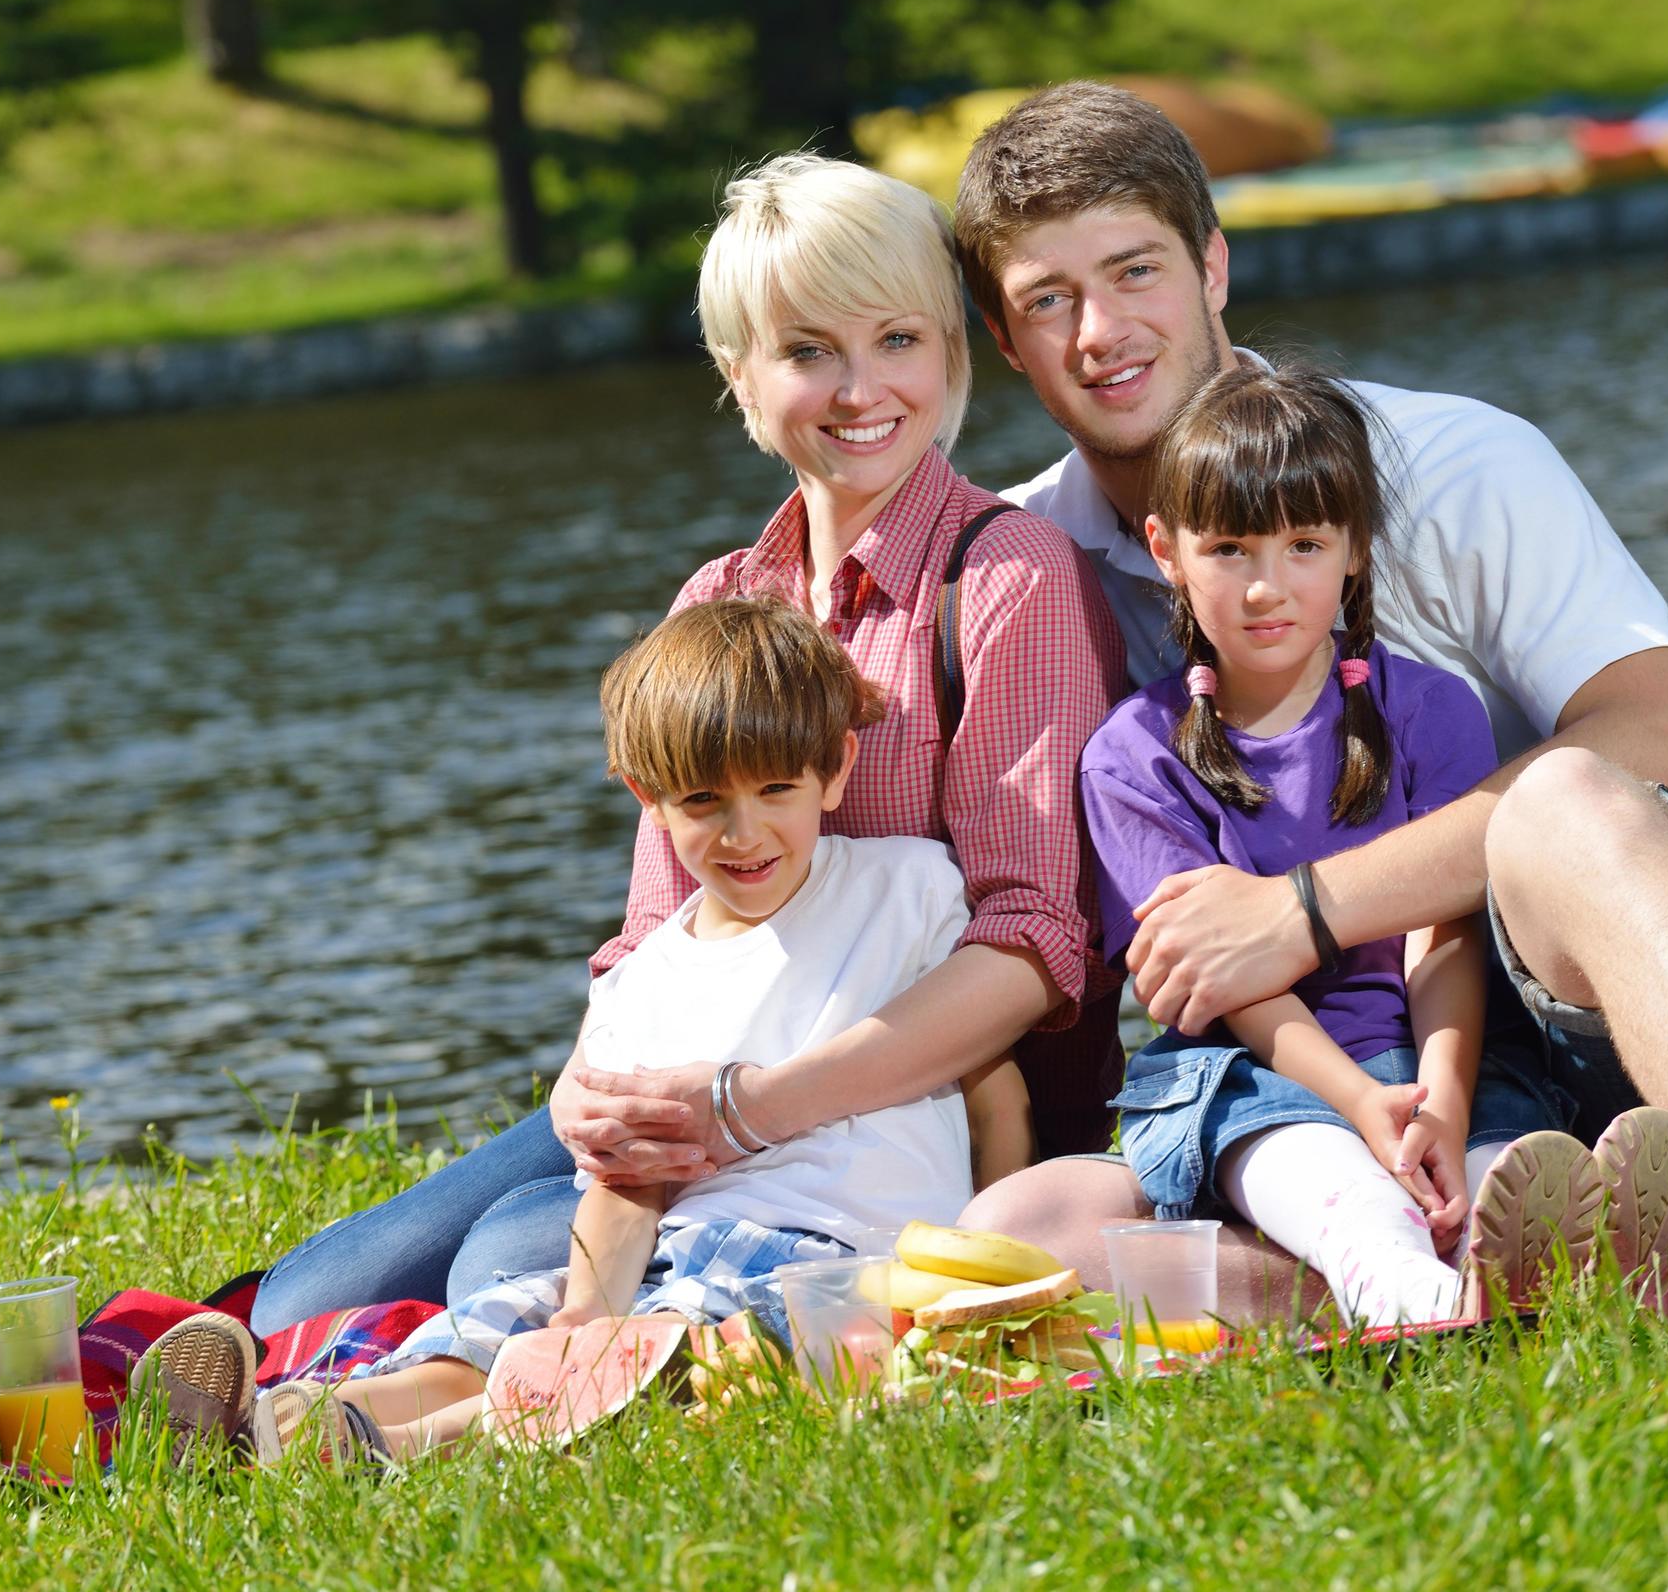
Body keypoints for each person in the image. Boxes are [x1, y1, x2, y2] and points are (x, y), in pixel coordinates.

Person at [247, 153, 1126, 1337]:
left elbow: (1032, 948)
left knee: (509, 1250)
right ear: (739, 379)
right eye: (809, 350)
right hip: (705, 1079)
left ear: (953, 352)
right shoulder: (720, 595)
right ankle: (284, 1377)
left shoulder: (1007, 580)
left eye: (899, 340)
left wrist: (747, 1108)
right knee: (302, 1297)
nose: (861, 387)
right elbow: (652, 936)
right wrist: (596, 1087)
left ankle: (473, 1383)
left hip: (903, 1111)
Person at [950, 82, 1668, 1314]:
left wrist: (1306, 911)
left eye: (1134, 271)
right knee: (1034, 1224)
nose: (1099, 330)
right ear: (1007, 343)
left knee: (1571, 798)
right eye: (1047, 302)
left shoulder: (1453, 459)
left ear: (1214, 267)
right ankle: (1501, 1251)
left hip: (1584, 984)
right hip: (1313, 1079)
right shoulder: (1021, 567)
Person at [247, 598, 971, 1462]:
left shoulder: (909, 888)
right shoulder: (642, 981)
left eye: (776, 789)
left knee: (689, 1351)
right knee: (502, 1331)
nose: (745, 833)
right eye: (703, 801)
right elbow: (627, 1186)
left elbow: (985, 1076)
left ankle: (397, 1445)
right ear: (650, 800)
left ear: (835, 769)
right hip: (681, 1243)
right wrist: (582, 1317)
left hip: (838, 1260)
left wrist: (993, 1256)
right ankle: (291, 1418)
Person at [1083, 360, 1640, 1326]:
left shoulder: (1429, 709)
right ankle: (1395, 1281)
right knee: (1321, 1174)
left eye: (1303, 544)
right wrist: (1354, 1099)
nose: (1267, 587)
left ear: (1353, 547)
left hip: (1436, 1052)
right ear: (1164, 551)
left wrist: (1439, 1100)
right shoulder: (1129, 757)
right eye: (1229, 550)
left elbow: (1445, 935)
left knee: (1501, 1166)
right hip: (1254, 1075)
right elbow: (1228, 981)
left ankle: (1575, 1248)